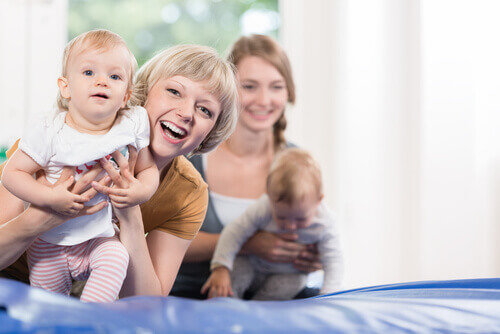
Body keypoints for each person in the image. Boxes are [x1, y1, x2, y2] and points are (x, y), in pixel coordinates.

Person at [0, 42, 239, 298]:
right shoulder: (56, 139)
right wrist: (39, 219)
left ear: (210, 133)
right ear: (140, 93)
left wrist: (129, 216)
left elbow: (145, 302)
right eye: (174, 91)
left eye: (205, 110)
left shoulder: (188, 193)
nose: (186, 113)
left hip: (78, 298)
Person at [1, 29, 158, 302]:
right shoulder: (49, 129)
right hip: (47, 243)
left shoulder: (129, 125)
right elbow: (12, 174)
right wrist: (50, 198)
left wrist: (141, 191)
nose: (102, 81)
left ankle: (89, 321)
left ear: (125, 96)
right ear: (65, 87)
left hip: (98, 237)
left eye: (115, 76)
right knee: (49, 310)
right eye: (88, 73)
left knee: (117, 255)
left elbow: (147, 169)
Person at [171, 34, 323, 299]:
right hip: (194, 298)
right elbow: (160, 241)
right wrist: (248, 244)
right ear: (227, 90)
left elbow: (313, 231)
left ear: (288, 91)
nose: (264, 100)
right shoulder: (190, 154)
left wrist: (313, 256)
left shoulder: (299, 163)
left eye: (276, 87)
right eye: (250, 87)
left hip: (275, 302)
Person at [201, 148, 343, 300]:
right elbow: (234, 232)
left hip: (288, 274)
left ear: (318, 201)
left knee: (296, 282)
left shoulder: (325, 223)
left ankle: (261, 309)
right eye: (281, 217)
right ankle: (223, 304)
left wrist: (328, 295)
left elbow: (333, 259)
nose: (290, 226)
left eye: (301, 219)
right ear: (269, 196)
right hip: (253, 264)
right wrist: (221, 268)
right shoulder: (264, 207)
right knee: (236, 271)